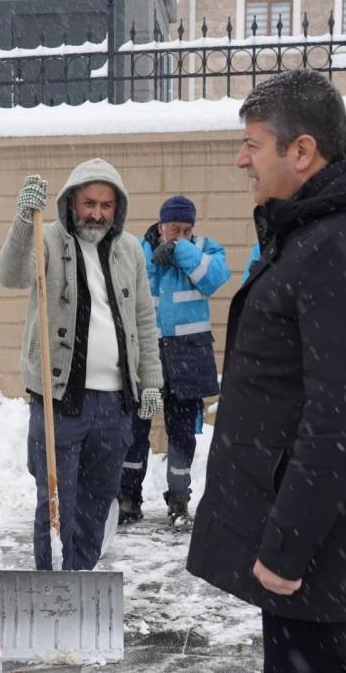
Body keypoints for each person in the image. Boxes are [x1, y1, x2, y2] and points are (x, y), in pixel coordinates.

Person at [186, 70, 346, 672]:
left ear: (301, 151)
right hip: (314, 530)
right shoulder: (318, 234)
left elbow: (340, 420)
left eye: (252, 143)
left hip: (323, 539)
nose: (240, 159)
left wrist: (288, 548)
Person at [0, 159, 164, 572]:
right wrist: (22, 219)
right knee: (55, 505)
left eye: (106, 205)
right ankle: (50, 587)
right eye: (89, 203)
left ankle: (79, 585)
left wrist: (151, 383)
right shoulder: (47, 237)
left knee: (96, 505)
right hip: (59, 401)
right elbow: (11, 275)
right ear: (71, 202)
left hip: (114, 404)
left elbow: (144, 318)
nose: (97, 213)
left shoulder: (128, 251)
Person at [119, 195, 230, 527]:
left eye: (185, 229)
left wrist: (180, 251)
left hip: (189, 355)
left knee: (182, 433)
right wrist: (157, 257)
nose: (178, 234)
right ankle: (127, 498)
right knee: (134, 430)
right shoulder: (136, 250)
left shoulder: (208, 250)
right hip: (146, 354)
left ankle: (179, 500)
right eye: (172, 229)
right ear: (160, 224)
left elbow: (213, 279)